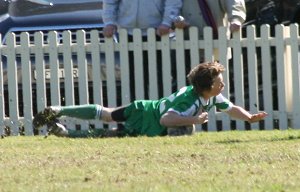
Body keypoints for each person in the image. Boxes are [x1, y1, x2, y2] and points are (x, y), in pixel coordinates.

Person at [33, 62, 268, 138]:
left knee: (109, 131)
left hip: (147, 115)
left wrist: (248, 117)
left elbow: (230, 108)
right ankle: (58, 113)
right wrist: (195, 119)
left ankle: (61, 126)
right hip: (147, 115)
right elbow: (167, 119)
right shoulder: (191, 100)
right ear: (208, 86)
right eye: (219, 82)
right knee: (107, 119)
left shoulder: (209, 95)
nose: (222, 85)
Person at [102, 0, 183, 100]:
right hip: (126, 33)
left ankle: (159, 111)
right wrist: (109, 22)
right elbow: (110, 2)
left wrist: (167, 22)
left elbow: (172, 2)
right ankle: (138, 111)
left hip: (158, 31)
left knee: (158, 77)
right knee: (133, 77)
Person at [174, 0, 246, 61]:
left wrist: (236, 18)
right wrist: (175, 21)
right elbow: (172, 7)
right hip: (188, 46)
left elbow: (234, 2)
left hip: (218, 45)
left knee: (219, 75)